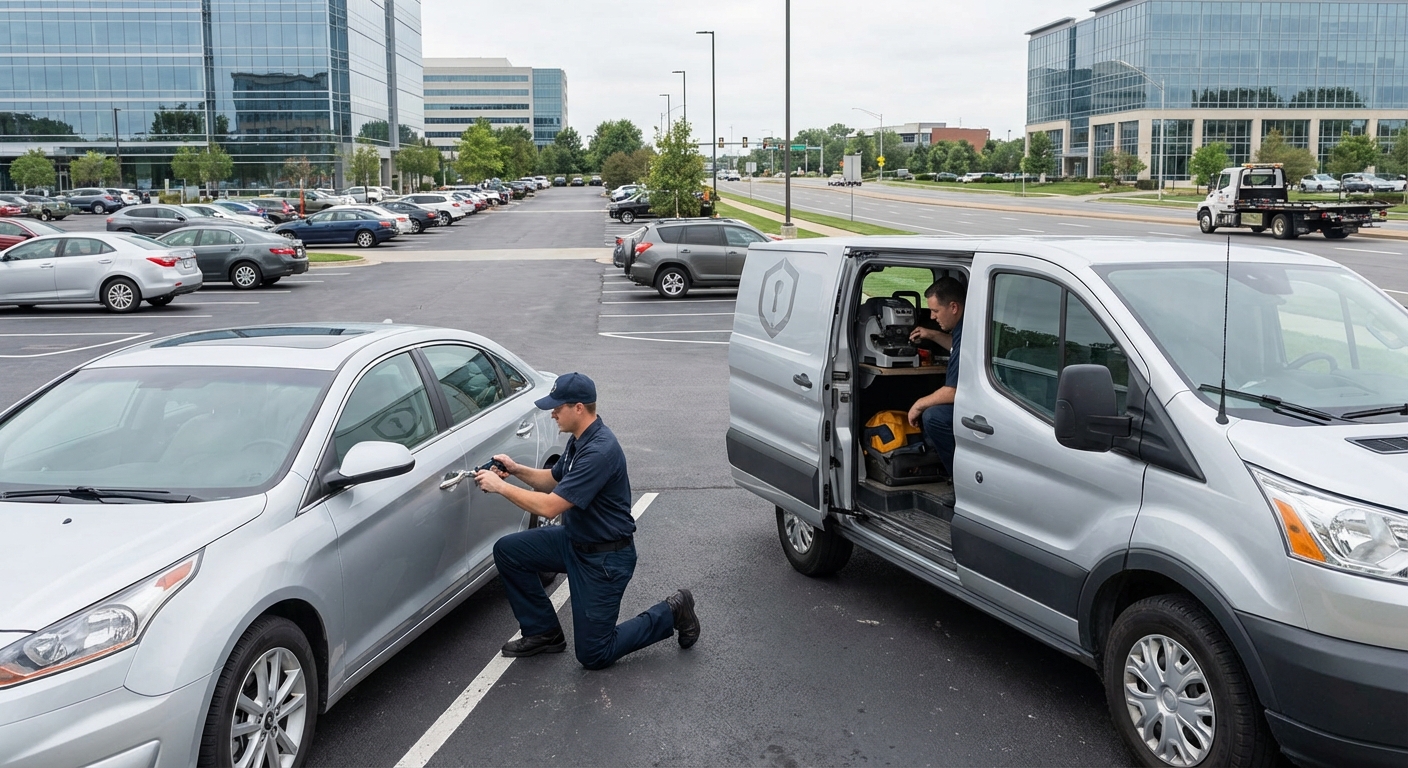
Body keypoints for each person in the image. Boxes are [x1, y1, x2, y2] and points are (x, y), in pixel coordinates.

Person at [474, 372, 700, 670]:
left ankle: (673, 612)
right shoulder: (579, 440)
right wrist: (515, 470)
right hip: (575, 542)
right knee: (509, 550)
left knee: (594, 654)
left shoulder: (599, 452)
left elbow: (551, 507)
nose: (552, 412)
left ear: (578, 408)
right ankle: (543, 632)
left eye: (557, 406)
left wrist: (500, 486)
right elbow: (553, 481)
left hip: (605, 560)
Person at [906, 278, 967, 498]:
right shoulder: (966, 327)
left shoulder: (966, 327)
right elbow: (958, 346)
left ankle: (960, 483)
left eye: (935, 311)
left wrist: (919, 405)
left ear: (953, 307)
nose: (932, 316)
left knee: (933, 416)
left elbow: (952, 392)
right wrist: (931, 335)